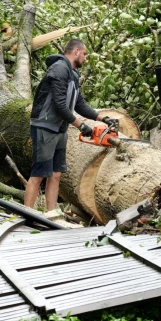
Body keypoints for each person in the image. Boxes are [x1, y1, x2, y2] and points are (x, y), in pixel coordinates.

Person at [25, 38, 107, 211]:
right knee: (39, 174)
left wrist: (101, 119)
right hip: (45, 126)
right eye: (84, 54)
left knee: (56, 174)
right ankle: (27, 215)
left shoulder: (73, 75)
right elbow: (59, 105)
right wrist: (81, 126)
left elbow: (80, 104)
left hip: (60, 129)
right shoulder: (59, 69)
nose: (85, 59)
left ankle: (52, 214)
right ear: (76, 51)